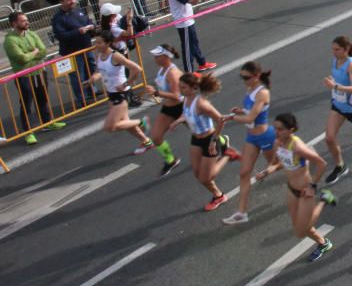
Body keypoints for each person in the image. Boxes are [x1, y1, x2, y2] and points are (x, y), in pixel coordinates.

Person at [256, 113, 337, 262]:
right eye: (275, 128)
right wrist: (266, 172)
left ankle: (324, 199)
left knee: (301, 232)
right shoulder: (278, 143)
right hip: (291, 189)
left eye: (280, 129)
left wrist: (312, 186)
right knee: (298, 226)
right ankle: (323, 243)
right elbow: (277, 163)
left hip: (305, 191)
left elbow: (321, 163)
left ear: (291, 130)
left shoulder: (298, 147)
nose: (276, 132)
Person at [168, 71, 241, 212]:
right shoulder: (186, 99)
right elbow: (186, 112)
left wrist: (214, 141)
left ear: (194, 88)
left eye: (183, 87)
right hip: (196, 139)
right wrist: (177, 121)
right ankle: (218, 196)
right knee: (197, 174)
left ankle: (227, 154)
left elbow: (220, 120)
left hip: (209, 140)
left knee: (205, 177)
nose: (180, 89)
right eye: (180, 86)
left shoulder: (201, 104)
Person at [222, 61, 278, 225]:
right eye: (242, 77)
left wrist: (231, 117)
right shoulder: (250, 89)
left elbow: (251, 118)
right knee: (244, 173)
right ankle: (241, 213)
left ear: (256, 76)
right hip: (251, 138)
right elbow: (250, 112)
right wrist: (240, 110)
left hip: (265, 136)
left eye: (246, 77)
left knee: (277, 165)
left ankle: (299, 167)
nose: (244, 80)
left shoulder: (263, 93)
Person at [4, 11, 65, 145]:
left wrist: (32, 54)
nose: (27, 22)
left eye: (27, 20)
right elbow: (21, 58)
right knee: (26, 103)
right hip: (23, 75)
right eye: (23, 21)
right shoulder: (10, 40)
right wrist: (35, 52)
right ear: (14, 24)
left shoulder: (32, 34)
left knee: (42, 98)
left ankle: (47, 122)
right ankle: (28, 132)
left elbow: (43, 50)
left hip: (39, 72)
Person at [90, 31, 153, 155]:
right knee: (126, 124)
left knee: (110, 127)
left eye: (99, 42)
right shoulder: (99, 56)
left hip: (121, 94)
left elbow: (137, 69)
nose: (96, 45)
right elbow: (102, 71)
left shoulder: (115, 56)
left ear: (108, 43)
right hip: (112, 94)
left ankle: (142, 122)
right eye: (95, 42)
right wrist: (93, 78)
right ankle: (146, 142)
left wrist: (126, 84)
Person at [323, 35, 352, 185]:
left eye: (337, 49)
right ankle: (340, 166)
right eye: (333, 49)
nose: (334, 52)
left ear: (346, 49)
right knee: (329, 138)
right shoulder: (336, 60)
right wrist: (333, 81)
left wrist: (335, 86)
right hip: (338, 105)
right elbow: (339, 80)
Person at [143, 45, 184, 176]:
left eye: (157, 56)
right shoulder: (162, 70)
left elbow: (177, 96)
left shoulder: (173, 73)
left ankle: (222, 143)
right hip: (168, 108)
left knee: (201, 134)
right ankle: (170, 160)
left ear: (166, 57)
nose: (155, 58)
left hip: (182, 108)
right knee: (156, 137)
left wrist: (156, 92)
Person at [50, 0, 97, 109]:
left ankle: (92, 90)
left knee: (91, 69)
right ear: (62, 2)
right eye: (69, 0)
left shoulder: (79, 11)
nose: (73, 1)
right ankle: (82, 98)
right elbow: (60, 36)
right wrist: (77, 32)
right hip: (72, 52)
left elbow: (88, 21)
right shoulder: (58, 18)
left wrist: (91, 26)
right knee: (77, 76)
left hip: (87, 47)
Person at [167, 0, 216, 72]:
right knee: (188, 47)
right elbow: (194, 1)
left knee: (194, 43)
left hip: (188, 20)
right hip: (183, 22)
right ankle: (189, 71)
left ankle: (202, 63)